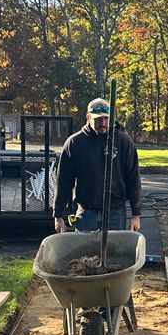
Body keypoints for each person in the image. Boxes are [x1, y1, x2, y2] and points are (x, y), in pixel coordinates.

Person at [53, 98, 141, 234]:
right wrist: (58, 215)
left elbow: (133, 178)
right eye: (98, 119)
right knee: (83, 253)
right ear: (88, 117)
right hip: (86, 212)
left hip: (115, 211)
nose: (103, 123)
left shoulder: (123, 141)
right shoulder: (75, 143)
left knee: (114, 252)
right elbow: (64, 181)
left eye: (106, 119)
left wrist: (136, 214)